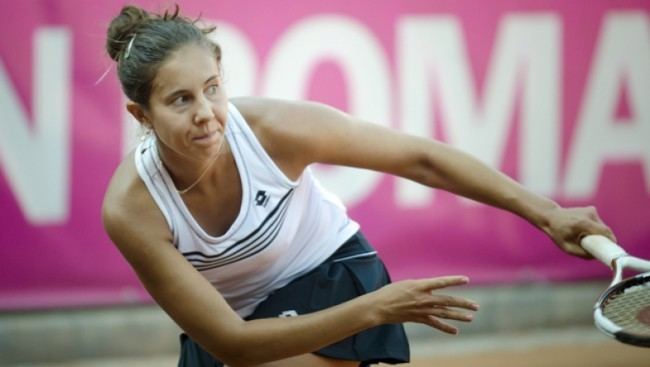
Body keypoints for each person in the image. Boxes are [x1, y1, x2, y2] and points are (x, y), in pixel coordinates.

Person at [101, 5, 615, 367]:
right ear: (140, 114)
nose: (207, 116)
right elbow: (233, 342)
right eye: (181, 100)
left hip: (327, 274)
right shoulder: (132, 209)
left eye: (213, 89)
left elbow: (422, 159)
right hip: (239, 325)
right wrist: (382, 309)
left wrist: (548, 213)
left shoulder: (276, 130)